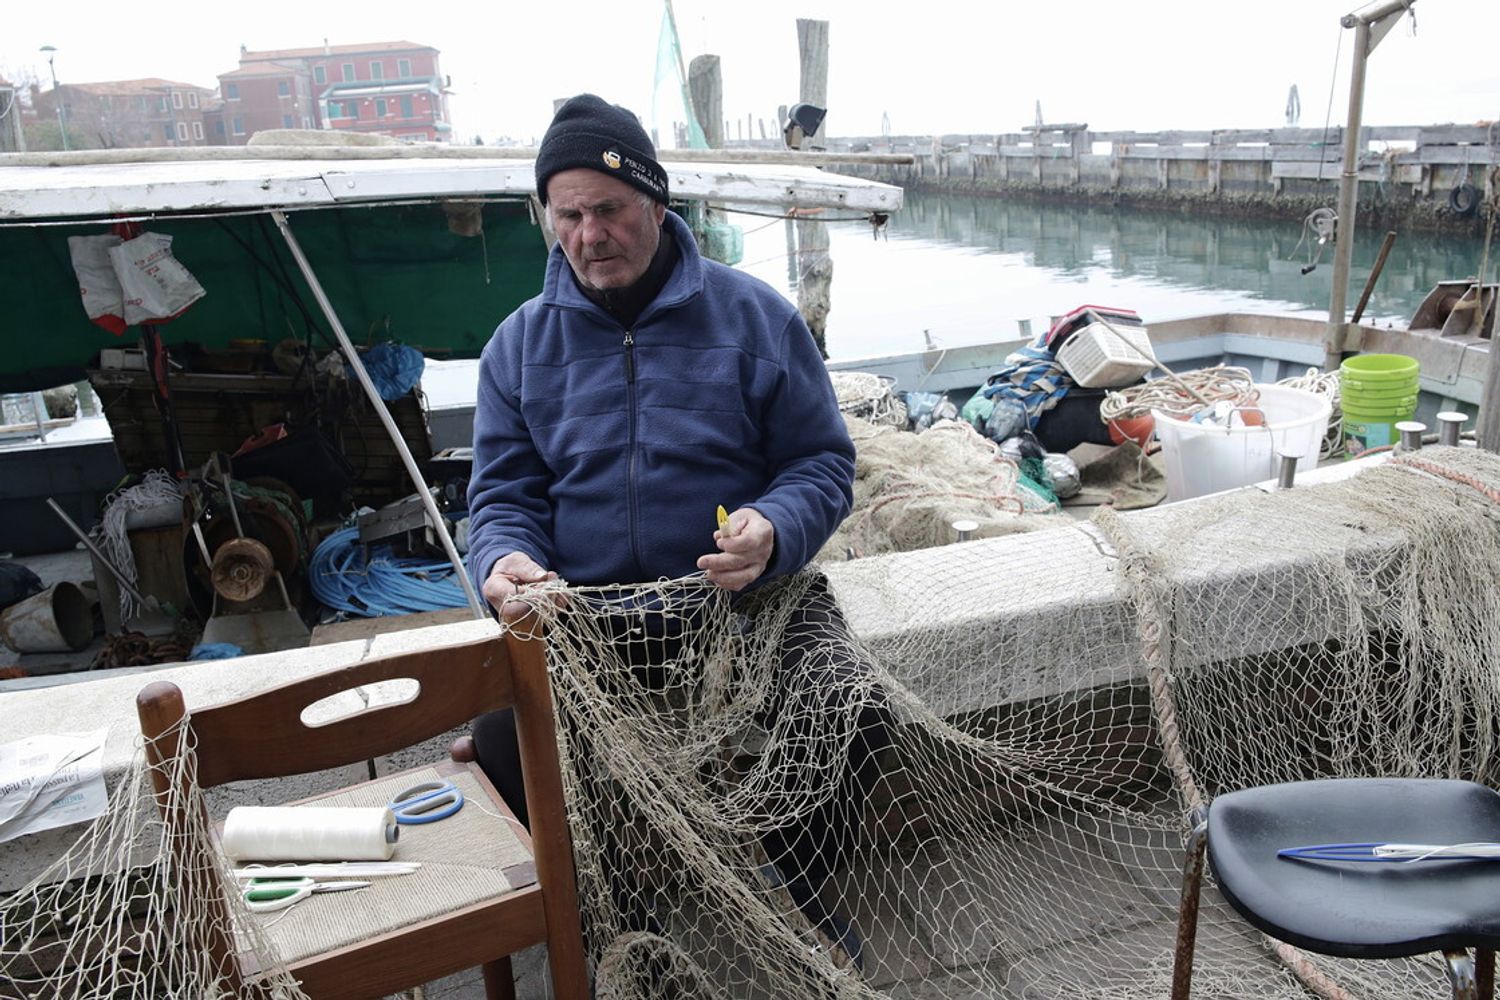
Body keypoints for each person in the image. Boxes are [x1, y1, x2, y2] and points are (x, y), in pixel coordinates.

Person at [465, 93, 888, 972]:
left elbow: (820, 464)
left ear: (657, 204)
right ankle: (617, 906)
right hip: (584, 615)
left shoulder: (754, 318)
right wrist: (506, 560)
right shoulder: (516, 347)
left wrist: (773, 527)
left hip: (740, 604)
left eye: (610, 210)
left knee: (845, 702)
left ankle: (807, 886)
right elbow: (501, 495)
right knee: (506, 743)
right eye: (569, 216)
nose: (589, 235)